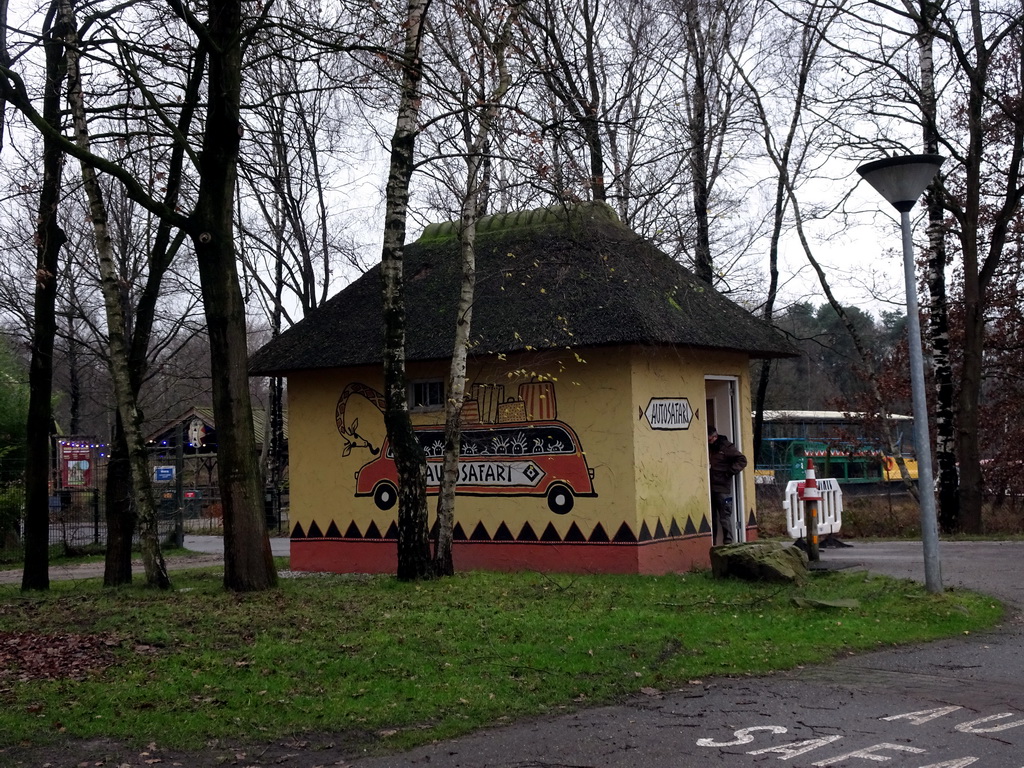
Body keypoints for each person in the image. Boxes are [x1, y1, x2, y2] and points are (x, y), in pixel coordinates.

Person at [707, 425, 747, 546]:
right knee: (712, 517)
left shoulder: (726, 447)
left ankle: (728, 542)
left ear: (715, 436)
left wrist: (729, 473)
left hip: (722, 486)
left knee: (724, 516)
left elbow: (742, 460)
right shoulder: (709, 447)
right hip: (710, 486)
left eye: (710, 440)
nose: (709, 442)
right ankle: (713, 543)